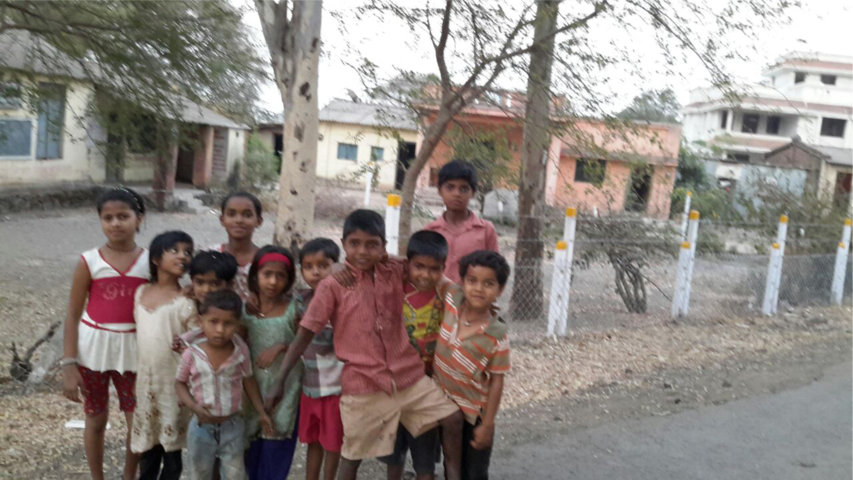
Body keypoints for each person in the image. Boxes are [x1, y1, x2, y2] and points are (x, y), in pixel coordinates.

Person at [266, 210, 465, 480]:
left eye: (372, 244)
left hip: (409, 377)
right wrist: (279, 380)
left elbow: (421, 263)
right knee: (352, 457)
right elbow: (305, 332)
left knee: (452, 419)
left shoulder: (394, 270)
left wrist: (473, 303)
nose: (362, 251)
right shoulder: (332, 285)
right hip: (363, 384)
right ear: (344, 244)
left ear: (383, 246)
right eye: (355, 244)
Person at [61, 187, 148, 480]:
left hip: (135, 352)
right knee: (96, 417)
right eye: (107, 218)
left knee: (137, 421)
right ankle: (97, 476)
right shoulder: (90, 261)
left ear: (139, 219)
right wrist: (69, 364)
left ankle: (129, 476)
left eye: (123, 216)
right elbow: (73, 314)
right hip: (92, 351)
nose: (115, 223)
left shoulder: (151, 262)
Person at [379, 230, 455, 480]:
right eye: (419, 266)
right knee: (393, 452)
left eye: (434, 269)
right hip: (395, 384)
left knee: (425, 456)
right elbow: (379, 259)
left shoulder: (445, 293)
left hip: (427, 385)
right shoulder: (396, 288)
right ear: (408, 264)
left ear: (443, 268)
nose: (425, 275)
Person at [175, 290, 273, 480]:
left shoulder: (241, 351)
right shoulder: (191, 353)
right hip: (201, 427)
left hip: (232, 426)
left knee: (235, 474)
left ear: (237, 323)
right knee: (199, 473)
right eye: (213, 322)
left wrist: (261, 412)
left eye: (228, 323)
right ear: (201, 321)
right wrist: (193, 406)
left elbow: (249, 380)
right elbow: (179, 383)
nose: (220, 330)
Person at [433, 251, 511, 480]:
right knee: (451, 464)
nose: (478, 289)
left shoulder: (496, 334)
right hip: (443, 404)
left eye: (488, 283)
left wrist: (487, 425)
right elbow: (428, 266)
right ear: (462, 282)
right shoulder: (452, 298)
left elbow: (497, 381)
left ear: (500, 289)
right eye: (472, 281)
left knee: (474, 472)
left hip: (474, 414)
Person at [132, 231, 196, 480]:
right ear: (156, 259)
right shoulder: (140, 293)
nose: (183, 256)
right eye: (174, 250)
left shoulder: (186, 302)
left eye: (188, 252)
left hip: (173, 386)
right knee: (148, 450)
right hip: (147, 384)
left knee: (171, 453)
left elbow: (197, 342)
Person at [242, 246, 304, 480]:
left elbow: (307, 345)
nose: (273, 282)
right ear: (255, 275)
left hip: (285, 393)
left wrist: (281, 347)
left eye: (281, 276)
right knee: (248, 457)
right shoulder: (245, 310)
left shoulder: (294, 309)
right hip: (251, 393)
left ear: (288, 280)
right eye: (266, 274)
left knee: (276, 456)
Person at [296, 238, 344, 480]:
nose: (315, 272)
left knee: (333, 444)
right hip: (310, 388)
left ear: (336, 266)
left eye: (323, 266)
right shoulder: (300, 300)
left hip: (335, 388)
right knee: (313, 441)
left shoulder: (343, 300)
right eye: (308, 266)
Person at [424, 160, 499, 284]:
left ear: (473, 193)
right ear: (440, 191)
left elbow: (495, 270)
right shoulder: (429, 232)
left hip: (474, 295)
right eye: (450, 187)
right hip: (437, 295)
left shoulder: (486, 230)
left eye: (464, 189)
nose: (456, 194)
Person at [210, 192, 264, 301]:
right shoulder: (211, 255)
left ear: (258, 221)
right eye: (231, 214)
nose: (239, 220)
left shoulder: (266, 259)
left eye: (247, 215)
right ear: (222, 220)